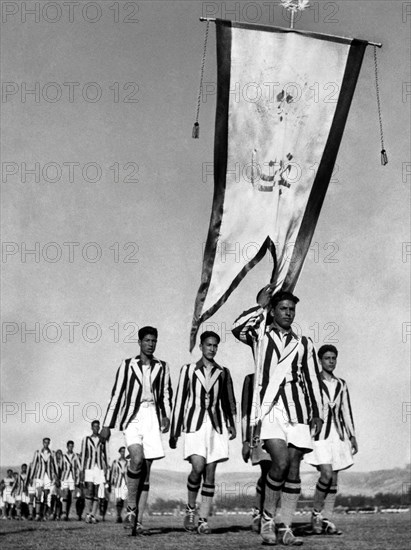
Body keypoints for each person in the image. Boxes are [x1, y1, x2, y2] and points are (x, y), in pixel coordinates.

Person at [233, 286, 323, 546]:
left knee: (294, 469)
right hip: (269, 410)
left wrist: (317, 412)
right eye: (283, 308)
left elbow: (312, 379)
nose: (288, 313)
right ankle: (268, 518)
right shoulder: (259, 335)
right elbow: (237, 327)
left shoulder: (303, 343)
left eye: (292, 309)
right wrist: (260, 306)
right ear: (273, 311)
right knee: (280, 462)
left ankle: (286, 527)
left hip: (297, 410)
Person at [100, 326, 172, 535]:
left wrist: (166, 415)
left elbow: (166, 394)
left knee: (146, 472)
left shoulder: (162, 366)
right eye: (147, 340)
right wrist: (107, 424)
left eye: (154, 341)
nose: (150, 344)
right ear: (139, 342)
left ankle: (137, 520)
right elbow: (116, 394)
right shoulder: (127, 365)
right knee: (137, 459)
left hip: (152, 418)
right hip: (132, 416)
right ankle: (130, 508)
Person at [169, 331, 237, 535]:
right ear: (201, 346)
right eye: (208, 345)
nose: (212, 349)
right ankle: (190, 508)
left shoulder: (223, 371)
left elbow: (229, 400)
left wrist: (231, 423)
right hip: (194, 424)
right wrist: (174, 430)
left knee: (211, 472)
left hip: (216, 425)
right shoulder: (188, 370)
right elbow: (180, 400)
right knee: (197, 466)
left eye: (215, 346)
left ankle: (203, 519)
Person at [304, 345, 358, 535]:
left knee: (334, 479)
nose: (331, 361)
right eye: (327, 358)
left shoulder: (341, 384)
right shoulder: (312, 382)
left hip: (338, 435)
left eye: (334, 358)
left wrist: (352, 436)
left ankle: (326, 519)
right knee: (325, 474)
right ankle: (316, 515)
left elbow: (346, 411)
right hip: (319, 436)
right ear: (320, 360)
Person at [241, 372, 272, 533]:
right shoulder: (252, 378)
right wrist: (245, 440)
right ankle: (259, 513)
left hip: (282, 430)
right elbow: (245, 412)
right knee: (267, 470)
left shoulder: (285, 374)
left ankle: (266, 514)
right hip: (260, 432)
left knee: (277, 473)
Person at [80, 420, 108, 524]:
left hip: (99, 467)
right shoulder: (86, 439)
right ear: (91, 427)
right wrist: (82, 469)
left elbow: (105, 455)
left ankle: (93, 515)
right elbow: (83, 455)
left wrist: (106, 469)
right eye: (94, 426)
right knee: (90, 489)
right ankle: (87, 514)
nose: (96, 428)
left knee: (97, 491)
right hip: (89, 467)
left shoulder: (102, 440)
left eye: (98, 427)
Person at [28, 437, 57, 521]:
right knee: (39, 494)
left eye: (48, 442)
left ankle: (43, 515)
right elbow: (34, 465)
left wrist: (56, 476)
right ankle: (37, 514)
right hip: (39, 476)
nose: (46, 444)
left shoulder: (52, 453)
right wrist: (31, 477)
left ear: (49, 443)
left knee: (46, 495)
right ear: (42, 443)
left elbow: (55, 465)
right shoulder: (37, 452)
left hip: (48, 476)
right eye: (45, 442)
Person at [61, 441, 81, 521]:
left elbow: (79, 467)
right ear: (67, 446)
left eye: (72, 446)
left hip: (72, 477)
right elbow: (60, 467)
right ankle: (64, 513)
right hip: (65, 477)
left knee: (72, 497)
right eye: (69, 446)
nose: (70, 448)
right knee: (65, 494)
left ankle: (69, 513)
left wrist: (78, 478)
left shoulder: (76, 456)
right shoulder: (63, 456)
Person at [110, 446, 129, 523]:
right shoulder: (115, 462)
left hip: (125, 482)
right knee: (118, 499)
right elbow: (113, 473)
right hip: (118, 482)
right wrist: (112, 481)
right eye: (121, 451)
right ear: (119, 452)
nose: (123, 453)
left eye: (124, 451)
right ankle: (118, 515)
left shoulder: (128, 462)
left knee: (124, 499)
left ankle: (123, 516)